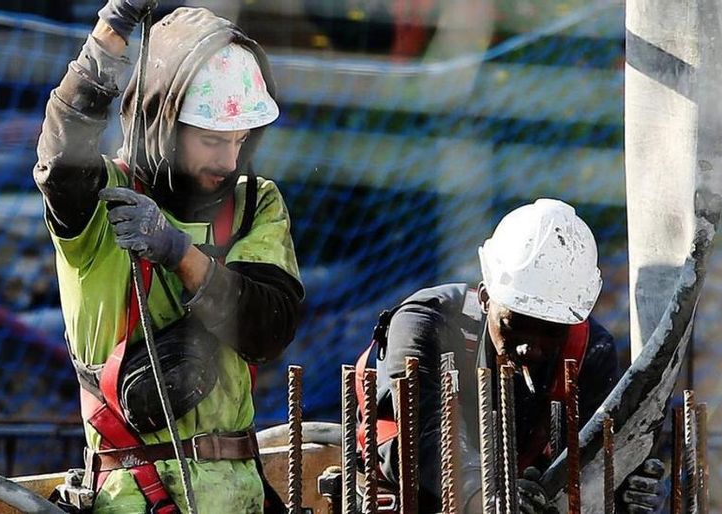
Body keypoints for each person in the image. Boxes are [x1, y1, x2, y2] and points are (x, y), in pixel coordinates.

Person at [33, 1, 303, 512]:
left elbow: (267, 326)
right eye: (211, 140)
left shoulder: (254, 204)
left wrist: (178, 252)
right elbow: (61, 151)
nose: (228, 160)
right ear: (164, 122)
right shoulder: (95, 199)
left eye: (240, 140)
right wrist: (114, 27)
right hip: (130, 495)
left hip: (240, 496)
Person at [360, 199, 664, 513]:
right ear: (484, 297)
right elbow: (426, 438)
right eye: (513, 325)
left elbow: (592, 461)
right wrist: (488, 500)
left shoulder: (588, 348)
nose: (529, 348)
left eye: (550, 332)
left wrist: (620, 487)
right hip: (410, 495)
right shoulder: (424, 324)